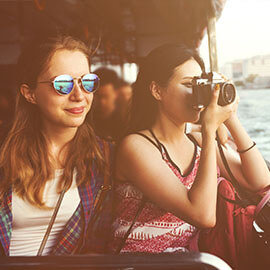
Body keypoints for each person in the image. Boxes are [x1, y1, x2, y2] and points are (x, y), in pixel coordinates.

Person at [109, 43, 270, 254]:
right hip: (140, 262)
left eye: (200, 85)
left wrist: (230, 116)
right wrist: (210, 128)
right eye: (188, 84)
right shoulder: (136, 147)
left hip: (189, 260)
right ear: (157, 90)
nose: (197, 95)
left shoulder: (197, 141)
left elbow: (259, 180)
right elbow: (203, 216)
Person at [0, 35, 113, 256]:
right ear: (29, 93)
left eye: (87, 82)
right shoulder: (5, 155)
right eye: (63, 84)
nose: (79, 95)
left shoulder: (104, 157)